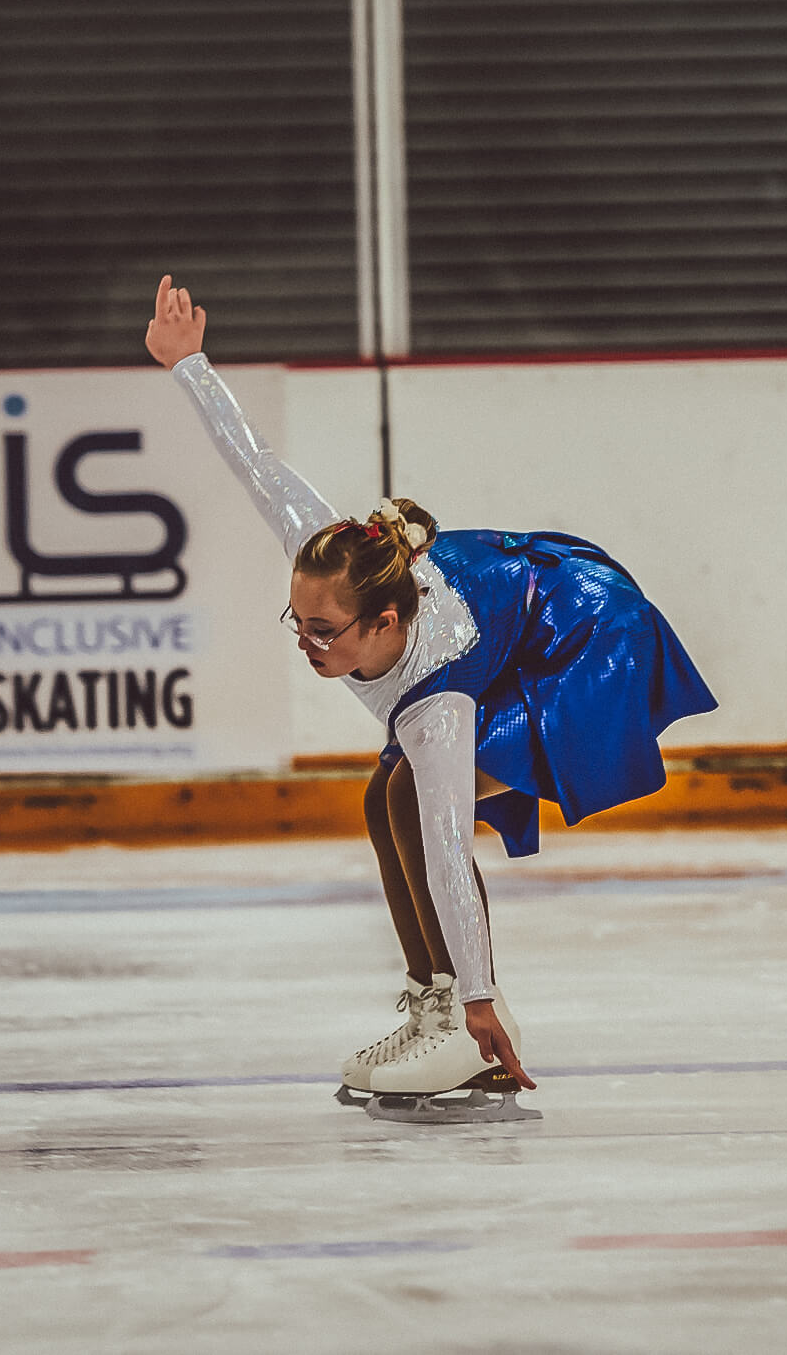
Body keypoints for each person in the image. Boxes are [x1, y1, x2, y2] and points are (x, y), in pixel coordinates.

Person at [145, 276, 717, 1122]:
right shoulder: (338, 558)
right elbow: (256, 462)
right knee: (384, 794)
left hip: (590, 637)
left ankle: (459, 1017)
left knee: (416, 791)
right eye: (297, 622)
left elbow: (450, 849)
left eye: (325, 631)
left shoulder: (434, 699)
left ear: (383, 621)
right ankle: (430, 1000)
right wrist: (190, 363)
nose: (308, 644)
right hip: (520, 626)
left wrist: (485, 998)